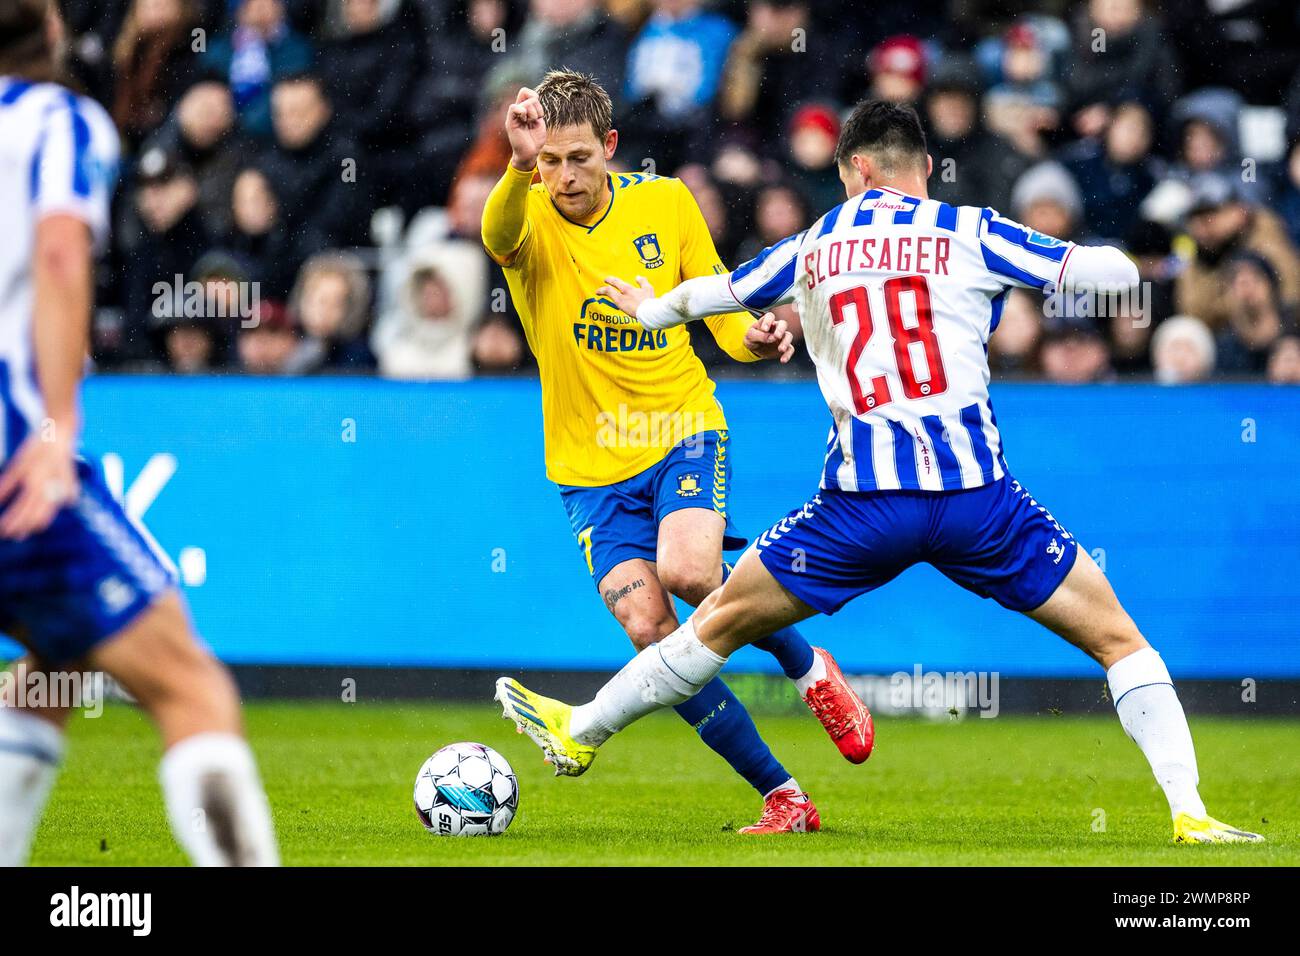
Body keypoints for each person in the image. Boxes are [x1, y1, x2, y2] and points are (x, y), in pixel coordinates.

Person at [497, 99, 1264, 847]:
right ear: (925, 167)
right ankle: (1190, 814)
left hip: (861, 508)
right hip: (979, 503)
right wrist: (1136, 256)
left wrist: (654, 309)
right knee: (1122, 642)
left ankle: (585, 726)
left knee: (715, 623)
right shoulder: (970, 229)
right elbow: (1101, 274)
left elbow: (718, 296)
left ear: (852, 170)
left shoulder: (818, 240)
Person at [481, 70, 873, 834]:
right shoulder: (526, 207)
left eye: (579, 158)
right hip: (588, 472)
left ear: (611, 149)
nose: (564, 176)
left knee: (691, 569)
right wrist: (515, 164)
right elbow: (495, 237)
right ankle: (784, 795)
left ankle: (810, 669)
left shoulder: (665, 204)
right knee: (650, 632)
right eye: (552, 160)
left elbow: (718, 306)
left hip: (680, 426)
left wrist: (754, 338)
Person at [0, 0, 278, 867]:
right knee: (190, 687)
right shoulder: (57, 121)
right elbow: (57, 254)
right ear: (50, 33)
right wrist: (56, 426)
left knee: (56, 663)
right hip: (11, 447)